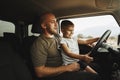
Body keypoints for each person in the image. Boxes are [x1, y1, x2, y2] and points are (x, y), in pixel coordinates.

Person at [31, 12, 101, 80]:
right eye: (52, 22)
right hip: (57, 75)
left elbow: (73, 41)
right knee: (93, 77)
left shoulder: (57, 36)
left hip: (68, 64)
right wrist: (67, 68)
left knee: (97, 66)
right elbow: (39, 72)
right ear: (44, 25)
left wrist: (88, 43)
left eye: (56, 21)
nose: (56, 24)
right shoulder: (39, 44)